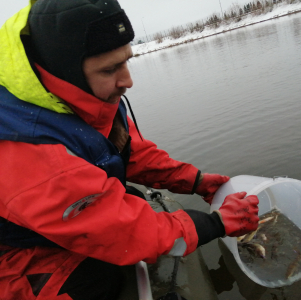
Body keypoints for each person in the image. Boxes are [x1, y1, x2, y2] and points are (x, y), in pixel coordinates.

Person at [0, 0, 259, 299]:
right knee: (98, 282)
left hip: (55, 220)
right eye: (110, 70)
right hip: (14, 254)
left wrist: (196, 181)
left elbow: (132, 152)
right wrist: (216, 224)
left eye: (125, 62)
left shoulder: (87, 98)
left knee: (133, 199)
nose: (128, 81)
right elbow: (116, 229)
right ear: (63, 72)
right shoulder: (23, 146)